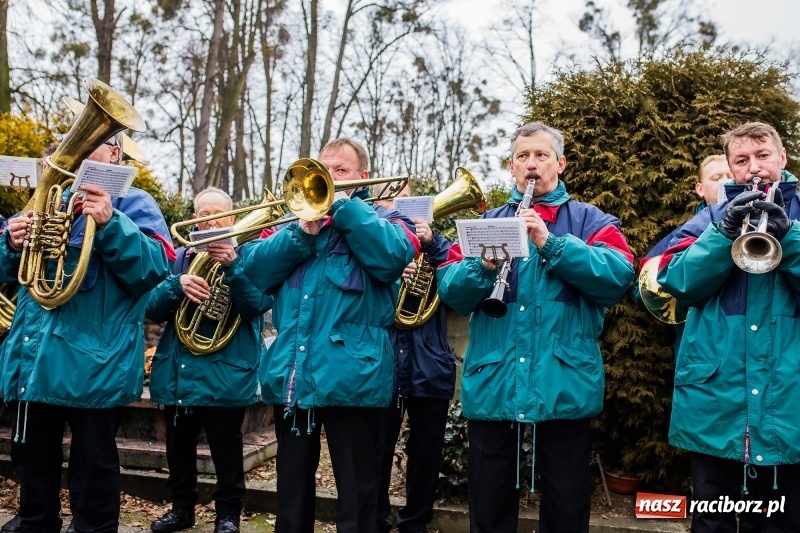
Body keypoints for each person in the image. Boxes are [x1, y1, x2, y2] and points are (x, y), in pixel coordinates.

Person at [436, 121, 634, 533]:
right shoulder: (487, 222)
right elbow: (451, 292)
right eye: (522, 156)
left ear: (560, 163)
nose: (531, 164)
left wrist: (551, 244)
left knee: (566, 506)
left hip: (563, 381)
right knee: (488, 507)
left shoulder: (591, 221)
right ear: (511, 167)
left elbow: (617, 277)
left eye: (541, 155)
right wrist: (481, 266)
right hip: (495, 380)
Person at [0, 131, 174, 533]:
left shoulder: (136, 202)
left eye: (92, 137)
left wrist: (112, 224)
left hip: (95, 362)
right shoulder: (49, 197)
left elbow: (155, 269)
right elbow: (9, 269)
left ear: (114, 153)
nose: (74, 142)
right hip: (34, 356)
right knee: (30, 457)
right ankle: (36, 521)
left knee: (93, 465)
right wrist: (10, 243)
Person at [242, 138, 418, 533]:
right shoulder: (294, 224)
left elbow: (393, 257)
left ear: (362, 176)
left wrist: (344, 208)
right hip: (295, 373)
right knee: (291, 495)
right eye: (326, 169)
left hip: (354, 377)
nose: (332, 177)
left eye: (341, 171)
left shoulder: (387, 220)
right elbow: (254, 271)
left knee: (358, 496)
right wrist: (300, 233)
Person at [656, 121, 800, 532]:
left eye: (763, 155)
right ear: (731, 168)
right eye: (742, 160)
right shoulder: (708, 220)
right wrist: (722, 234)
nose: (754, 167)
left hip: (787, 398)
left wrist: (789, 238)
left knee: (781, 521)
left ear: (782, 157)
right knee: (713, 519)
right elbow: (676, 281)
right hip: (717, 398)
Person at [146, 187, 272, 533]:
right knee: (178, 448)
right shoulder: (180, 257)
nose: (210, 221)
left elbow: (257, 305)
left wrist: (233, 268)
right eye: (203, 215)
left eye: (218, 215)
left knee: (226, 450)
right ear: (194, 218)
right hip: (180, 369)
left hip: (225, 372)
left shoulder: (248, 255)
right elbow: (151, 308)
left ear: (232, 219)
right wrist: (177, 285)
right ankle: (181, 509)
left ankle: (228, 515)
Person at [373, 186, 457, 533]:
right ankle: (375, 518)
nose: (398, 206)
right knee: (377, 448)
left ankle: (415, 521)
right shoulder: (371, 242)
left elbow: (460, 272)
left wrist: (433, 242)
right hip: (384, 363)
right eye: (390, 199)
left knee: (426, 452)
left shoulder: (439, 246)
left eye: (405, 199)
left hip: (429, 362)